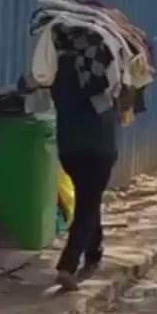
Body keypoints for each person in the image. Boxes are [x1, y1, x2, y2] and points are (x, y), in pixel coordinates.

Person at [50, 30, 120, 292]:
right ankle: (67, 265)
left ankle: (94, 252)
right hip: (99, 148)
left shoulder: (59, 71)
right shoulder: (102, 72)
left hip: (69, 148)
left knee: (89, 198)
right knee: (88, 204)